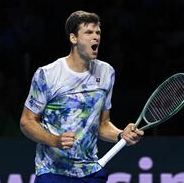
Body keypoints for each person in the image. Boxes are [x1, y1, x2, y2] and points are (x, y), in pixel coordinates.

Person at [20, 10, 144, 183]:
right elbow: (27, 122)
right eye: (89, 32)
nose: (96, 37)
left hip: (91, 172)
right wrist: (54, 140)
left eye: (98, 32)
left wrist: (120, 134)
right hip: (53, 172)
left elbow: (102, 124)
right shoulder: (48, 74)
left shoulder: (106, 73)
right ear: (73, 38)